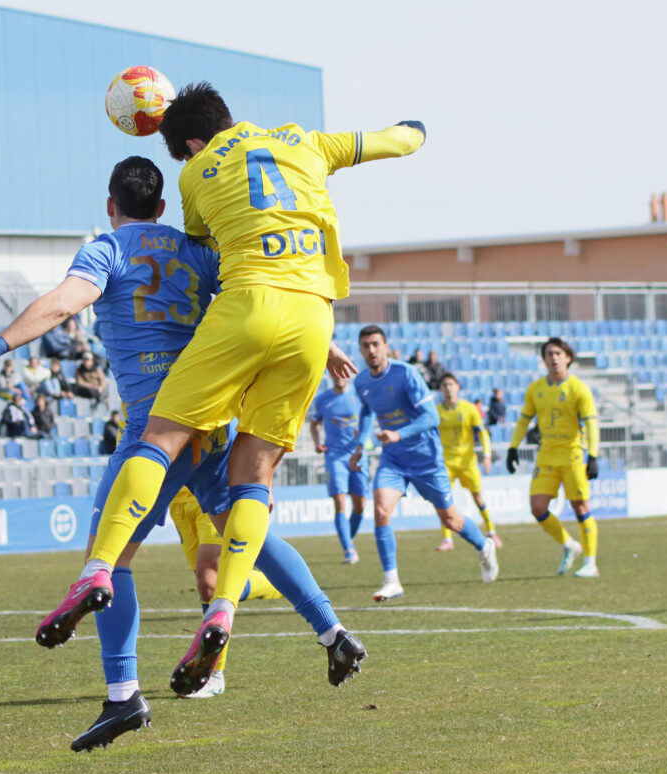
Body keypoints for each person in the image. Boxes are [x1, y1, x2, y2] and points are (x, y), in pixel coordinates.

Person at [0, 156, 366, 749]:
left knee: (108, 556)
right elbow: (262, 298)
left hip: (157, 427)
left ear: (110, 205)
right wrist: (326, 346)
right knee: (251, 536)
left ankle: (123, 697)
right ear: (163, 206)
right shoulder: (197, 249)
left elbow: (64, 303)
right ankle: (333, 632)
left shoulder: (107, 249)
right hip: (213, 417)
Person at [46, 83, 424, 694]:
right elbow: (396, 141)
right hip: (313, 318)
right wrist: (417, 128)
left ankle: (107, 623)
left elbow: (216, 251)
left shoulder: (191, 180)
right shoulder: (304, 138)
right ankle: (271, 618)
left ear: (191, 145)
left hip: (237, 321)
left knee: (153, 451)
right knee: (255, 488)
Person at [348, 326, 499, 601]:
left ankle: (484, 545)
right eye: (365, 345)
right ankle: (392, 580)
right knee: (381, 509)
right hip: (393, 459)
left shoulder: (405, 373)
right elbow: (368, 411)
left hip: (427, 459)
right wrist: (360, 446)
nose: (371, 350)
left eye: (375, 344)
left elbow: (432, 417)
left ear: (385, 346)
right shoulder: (361, 383)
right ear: (360, 350)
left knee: (451, 520)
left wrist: (398, 433)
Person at [168, 484, 282, 698]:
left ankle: (212, 674)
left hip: (215, 490)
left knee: (211, 584)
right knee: (209, 587)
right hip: (179, 498)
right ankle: (281, 582)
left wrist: (266, 486)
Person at [507, 337, 600, 577]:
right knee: (537, 508)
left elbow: (591, 424)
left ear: (568, 358)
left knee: (580, 507)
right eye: (549, 354)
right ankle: (570, 545)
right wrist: (513, 448)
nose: (554, 358)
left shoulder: (579, 388)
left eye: (558, 353)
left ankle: (590, 562)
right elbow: (524, 420)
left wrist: (593, 455)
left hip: (572, 455)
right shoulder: (536, 389)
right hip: (547, 455)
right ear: (544, 359)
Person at [435, 373, 502, 552]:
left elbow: (482, 433)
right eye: (445, 385)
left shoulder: (469, 409)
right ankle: (447, 539)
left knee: (478, 497)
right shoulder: (437, 412)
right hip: (446, 463)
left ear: (458, 387)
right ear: (441, 389)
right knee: (443, 500)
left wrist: (487, 455)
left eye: (451, 384)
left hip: (467, 461)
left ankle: (491, 531)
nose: (448, 388)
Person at [308, 372, 369, 564]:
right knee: (340, 503)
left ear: (348, 375)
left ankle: (347, 540)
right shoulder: (323, 399)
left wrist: (365, 434)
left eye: (342, 374)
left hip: (357, 455)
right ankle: (349, 550)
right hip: (334, 457)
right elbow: (314, 424)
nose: (339, 377)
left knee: (360, 506)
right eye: (335, 374)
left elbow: (371, 419)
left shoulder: (359, 396)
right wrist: (318, 443)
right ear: (331, 376)